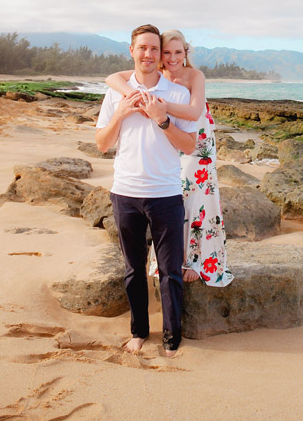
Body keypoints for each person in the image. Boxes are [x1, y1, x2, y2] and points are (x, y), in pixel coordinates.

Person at [95, 24, 197, 357]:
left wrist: (162, 119)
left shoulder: (177, 95)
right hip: (125, 191)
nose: (150, 54)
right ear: (132, 51)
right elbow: (101, 144)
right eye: (143, 48)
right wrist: (121, 114)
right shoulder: (117, 93)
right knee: (133, 269)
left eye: (155, 49)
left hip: (166, 194)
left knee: (170, 272)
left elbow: (190, 146)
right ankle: (139, 331)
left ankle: (172, 337)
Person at [105, 29, 234, 288]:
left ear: (186, 53)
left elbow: (194, 111)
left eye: (178, 52)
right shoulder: (158, 76)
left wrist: (158, 105)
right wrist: (139, 97)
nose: (172, 58)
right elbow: (111, 78)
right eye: (167, 52)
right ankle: (175, 258)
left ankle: (199, 261)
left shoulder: (194, 75)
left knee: (198, 196)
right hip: (168, 138)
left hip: (198, 141)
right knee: (174, 200)